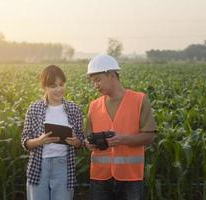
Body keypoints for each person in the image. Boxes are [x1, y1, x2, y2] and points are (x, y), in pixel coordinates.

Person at [85, 54, 157, 200]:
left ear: (112, 75)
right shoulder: (94, 106)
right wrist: (88, 143)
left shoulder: (139, 100)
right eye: (93, 82)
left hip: (130, 177)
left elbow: (150, 136)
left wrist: (123, 140)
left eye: (98, 80)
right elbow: (88, 139)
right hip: (99, 177)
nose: (95, 85)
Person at [21, 65, 85, 200]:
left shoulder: (74, 109)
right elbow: (25, 141)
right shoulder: (34, 109)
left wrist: (76, 141)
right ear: (44, 87)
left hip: (63, 165)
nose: (58, 89)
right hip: (39, 166)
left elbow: (81, 141)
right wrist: (39, 141)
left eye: (61, 84)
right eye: (53, 86)